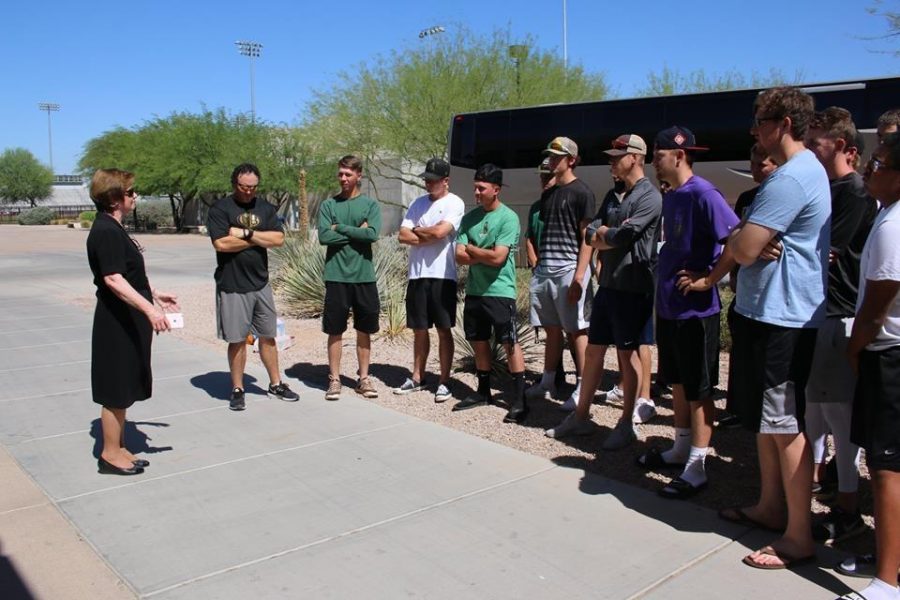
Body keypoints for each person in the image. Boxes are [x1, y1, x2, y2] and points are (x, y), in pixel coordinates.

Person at [725, 86, 830, 570]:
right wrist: (743, 234)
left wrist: (744, 236)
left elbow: (745, 249)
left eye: (759, 121)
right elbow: (744, 240)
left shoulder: (790, 179)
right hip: (770, 313)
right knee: (772, 423)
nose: (753, 131)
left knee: (786, 426)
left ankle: (797, 536)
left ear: (784, 123)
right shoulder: (799, 174)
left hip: (784, 318)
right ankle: (771, 508)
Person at [637, 126, 739, 499]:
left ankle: (697, 466)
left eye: (658, 154)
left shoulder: (703, 193)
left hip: (697, 312)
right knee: (678, 382)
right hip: (670, 309)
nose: (653, 161)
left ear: (678, 155)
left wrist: (710, 279)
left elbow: (736, 240)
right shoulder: (674, 195)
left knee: (698, 389)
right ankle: (680, 449)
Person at [546, 134, 662, 451]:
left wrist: (604, 236)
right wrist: (603, 236)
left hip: (633, 287)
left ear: (636, 157)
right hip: (609, 285)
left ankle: (626, 424)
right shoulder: (614, 194)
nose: (611, 162)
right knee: (595, 350)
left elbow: (626, 234)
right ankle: (581, 417)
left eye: (616, 157)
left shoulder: (649, 197)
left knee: (628, 354)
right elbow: (589, 231)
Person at [803, 107, 877, 544]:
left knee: (840, 416)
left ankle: (848, 507)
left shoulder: (854, 192)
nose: (810, 149)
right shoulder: (826, 188)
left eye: (817, 143)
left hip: (840, 314)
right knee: (814, 412)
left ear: (845, 148)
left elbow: (823, 250)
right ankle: (820, 488)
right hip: (817, 312)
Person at [836, 134, 900, 600]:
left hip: (889, 355)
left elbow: (877, 305)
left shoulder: (894, 226)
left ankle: (887, 582)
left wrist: (856, 349)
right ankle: (888, 557)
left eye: (877, 164)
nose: (868, 171)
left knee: (886, 469)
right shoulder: (885, 216)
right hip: (888, 353)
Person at [86, 169, 179, 475]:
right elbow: (113, 279)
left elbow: (129, 274)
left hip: (128, 318)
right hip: (117, 322)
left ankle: (119, 446)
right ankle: (109, 454)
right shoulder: (105, 231)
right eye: (130, 192)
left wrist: (155, 295)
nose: (134, 196)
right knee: (115, 388)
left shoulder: (115, 228)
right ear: (114, 198)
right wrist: (150, 311)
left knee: (125, 384)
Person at [207, 163, 298, 411]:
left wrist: (245, 234)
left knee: (268, 336)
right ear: (234, 183)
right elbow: (221, 244)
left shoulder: (265, 208)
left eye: (253, 187)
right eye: (244, 187)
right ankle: (238, 388)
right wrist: (259, 238)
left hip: (260, 282)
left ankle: (276, 383)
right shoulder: (220, 209)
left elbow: (278, 239)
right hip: (232, 284)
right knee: (237, 340)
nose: (248, 191)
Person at [452, 164, 528, 423]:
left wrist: (474, 250)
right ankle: (483, 392)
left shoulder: (508, 218)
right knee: (479, 340)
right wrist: (480, 253)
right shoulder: (469, 219)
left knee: (509, 342)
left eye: (481, 188)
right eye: (475, 186)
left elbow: (499, 258)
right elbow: (458, 256)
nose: (476, 191)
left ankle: (519, 399)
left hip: (500, 291)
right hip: (475, 291)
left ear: (496, 190)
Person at [526, 137, 595, 410]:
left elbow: (587, 238)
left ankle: (582, 386)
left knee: (577, 330)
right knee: (552, 329)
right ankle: (548, 381)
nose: (552, 160)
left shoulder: (582, 192)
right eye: (550, 155)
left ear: (572, 160)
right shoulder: (549, 194)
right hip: (546, 271)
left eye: (557, 156)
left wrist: (580, 276)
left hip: (569, 270)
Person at [394, 158, 465, 402]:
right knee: (419, 329)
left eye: (433, 180)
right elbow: (402, 235)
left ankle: (444, 381)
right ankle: (417, 376)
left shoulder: (455, 202)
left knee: (444, 330)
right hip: (417, 274)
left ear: (445, 180)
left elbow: (439, 233)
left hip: (442, 275)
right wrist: (426, 233)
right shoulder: (417, 203)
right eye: (426, 179)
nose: (428, 183)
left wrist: (420, 231)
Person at [719, 144, 779, 429]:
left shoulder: (781, 198)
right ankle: (738, 408)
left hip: (769, 296)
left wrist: (748, 240)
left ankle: (761, 417)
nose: (754, 169)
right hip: (742, 288)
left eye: (761, 165)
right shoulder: (747, 197)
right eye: (752, 163)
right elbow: (734, 238)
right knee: (740, 354)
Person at [317, 155, 382, 401]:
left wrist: (340, 228)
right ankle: (334, 379)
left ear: (358, 176)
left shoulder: (370, 205)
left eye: (348, 174)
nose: (343, 178)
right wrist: (358, 231)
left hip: (364, 276)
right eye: (340, 174)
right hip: (336, 276)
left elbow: (373, 234)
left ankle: (363, 378)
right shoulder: (328, 205)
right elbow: (324, 237)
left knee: (364, 329)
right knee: (335, 330)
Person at [525, 157, 566, 390]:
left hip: (562, 271)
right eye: (542, 176)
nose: (545, 180)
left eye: (548, 176)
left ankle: (582, 378)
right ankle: (554, 374)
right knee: (549, 326)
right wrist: (534, 260)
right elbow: (529, 237)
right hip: (541, 271)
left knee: (571, 328)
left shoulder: (564, 202)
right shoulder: (535, 207)